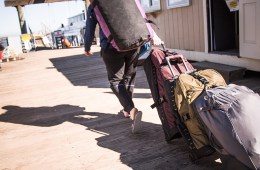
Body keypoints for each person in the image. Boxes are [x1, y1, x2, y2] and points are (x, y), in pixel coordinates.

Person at [84, 5, 162, 133]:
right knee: (129, 77)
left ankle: (131, 109)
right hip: (133, 42)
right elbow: (140, 16)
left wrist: (87, 47)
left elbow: (89, 28)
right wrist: (153, 35)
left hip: (111, 46)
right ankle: (127, 109)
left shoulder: (95, 4)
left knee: (116, 81)